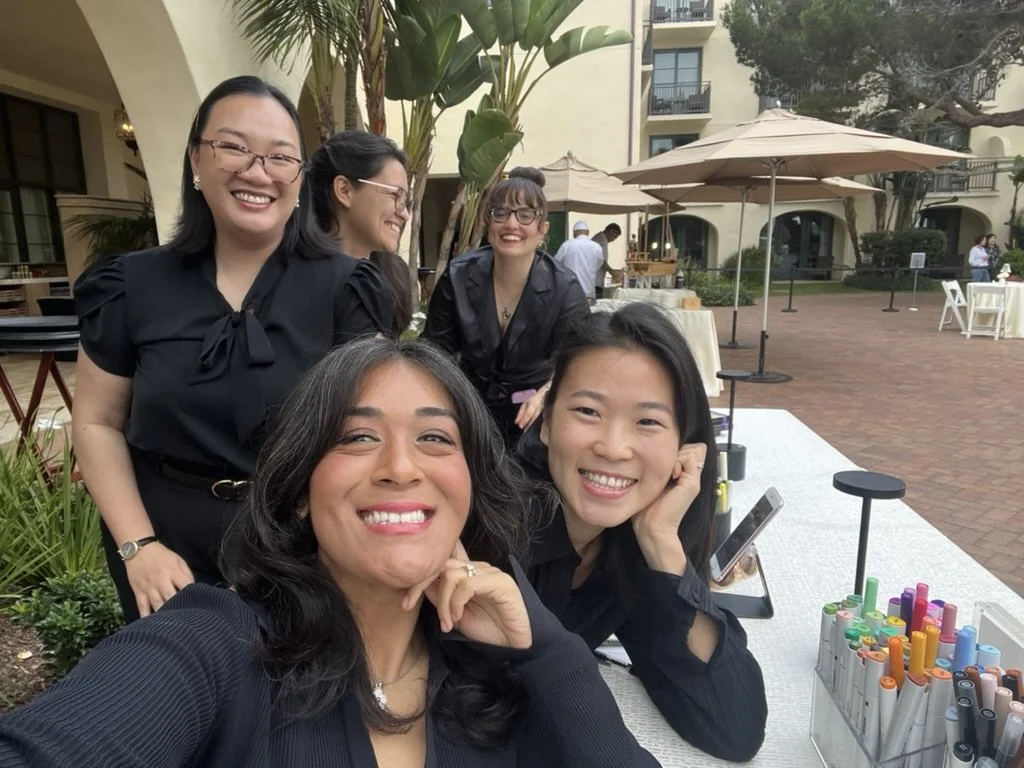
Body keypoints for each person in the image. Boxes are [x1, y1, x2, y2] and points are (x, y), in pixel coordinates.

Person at [0, 339, 660, 768]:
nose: (401, 467)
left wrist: (548, 650)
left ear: (469, 487)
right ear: (296, 494)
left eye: (434, 438)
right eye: (355, 438)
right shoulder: (217, 646)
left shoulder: (493, 676)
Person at [71, 76, 394, 624]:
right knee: (178, 697)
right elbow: (97, 421)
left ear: (298, 179)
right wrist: (137, 547)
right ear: (196, 160)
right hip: (162, 549)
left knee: (295, 697)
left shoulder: (347, 289)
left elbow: (377, 428)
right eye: (234, 147)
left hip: (302, 544)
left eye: (279, 157)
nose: (257, 171)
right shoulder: (131, 285)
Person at [512, 303, 768, 762]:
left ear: (684, 448)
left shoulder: (628, 544)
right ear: (546, 422)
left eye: (648, 421)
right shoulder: (495, 532)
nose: (612, 447)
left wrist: (663, 546)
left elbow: (734, 727)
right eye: (588, 410)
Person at [422, 168, 589, 446]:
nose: (512, 224)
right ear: (489, 224)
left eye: (525, 215)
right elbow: (434, 350)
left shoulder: (565, 288)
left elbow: (579, 362)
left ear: (542, 229)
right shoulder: (458, 275)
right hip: (467, 411)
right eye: (501, 213)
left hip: (534, 417)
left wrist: (546, 394)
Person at [309, 129, 414, 335]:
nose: (404, 214)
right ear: (344, 191)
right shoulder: (298, 278)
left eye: (405, 201)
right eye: (395, 196)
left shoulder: (393, 274)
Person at [554, 220, 606, 300]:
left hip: (570, 291)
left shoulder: (567, 245)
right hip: (589, 291)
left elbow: (556, 262)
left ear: (574, 233)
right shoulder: (596, 246)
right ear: (588, 232)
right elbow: (598, 264)